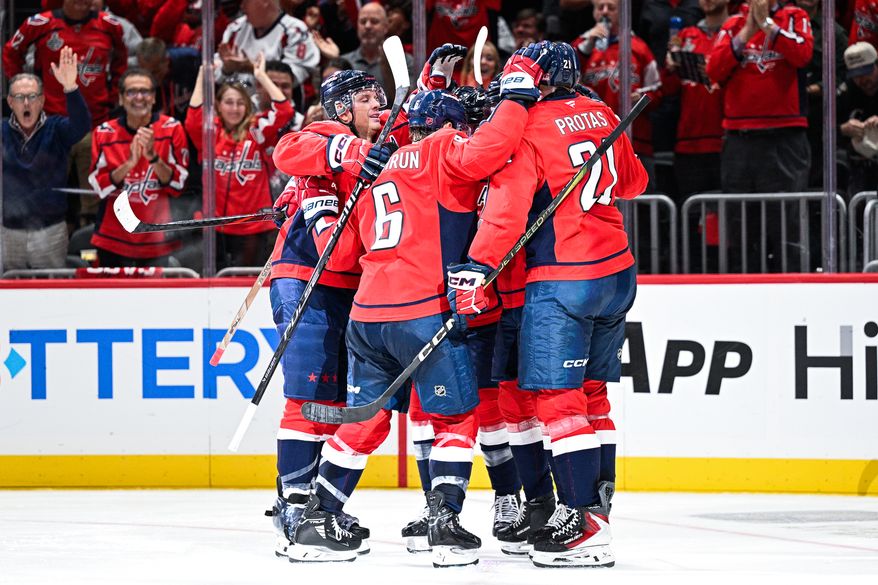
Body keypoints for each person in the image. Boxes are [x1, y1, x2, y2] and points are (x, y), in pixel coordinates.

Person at [292, 45, 548, 565]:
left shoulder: (374, 174)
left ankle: (317, 518)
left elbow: (344, 252)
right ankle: (445, 524)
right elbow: (485, 153)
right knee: (455, 419)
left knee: (367, 420)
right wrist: (517, 98)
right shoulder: (443, 150)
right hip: (424, 309)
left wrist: (317, 210)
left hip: (368, 315)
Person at [448, 41, 648, 568]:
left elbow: (509, 211)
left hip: (564, 276)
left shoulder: (528, 124)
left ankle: (583, 525)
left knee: (558, 403)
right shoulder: (603, 111)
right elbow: (634, 181)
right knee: (593, 397)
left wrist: (479, 268)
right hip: (617, 269)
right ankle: (598, 511)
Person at [263, 69, 404, 561]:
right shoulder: (332, 134)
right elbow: (289, 148)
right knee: (307, 398)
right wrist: (345, 156)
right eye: (367, 99)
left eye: (381, 98)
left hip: (352, 291)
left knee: (336, 405)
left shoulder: (388, 143)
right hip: (306, 280)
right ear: (342, 109)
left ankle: (311, 501)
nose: (379, 107)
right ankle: (296, 503)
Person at [706, 0, 813, 271]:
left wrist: (768, 26)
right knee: (741, 222)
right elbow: (713, 70)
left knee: (786, 222)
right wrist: (748, 30)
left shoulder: (794, 17)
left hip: (785, 136)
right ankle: (743, 285)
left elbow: (803, 54)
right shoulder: (732, 25)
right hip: (740, 137)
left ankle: (794, 285)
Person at [3, 0, 127, 225]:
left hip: (95, 122)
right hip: (50, 122)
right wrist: (25, 91)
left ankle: (89, 246)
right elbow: (11, 52)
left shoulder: (110, 25)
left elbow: (121, 60)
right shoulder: (40, 24)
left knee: (94, 196)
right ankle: (49, 243)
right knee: (45, 192)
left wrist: (112, 96)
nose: (82, 5)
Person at [185, 55, 294, 269]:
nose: (234, 109)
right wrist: (202, 76)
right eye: (228, 102)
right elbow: (192, 118)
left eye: (240, 103)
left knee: (247, 286)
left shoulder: (257, 131)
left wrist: (261, 76)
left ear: (247, 106)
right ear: (218, 105)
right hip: (216, 226)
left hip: (253, 227)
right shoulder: (211, 133)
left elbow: (285, 111)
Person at [88, 69, 189, 267]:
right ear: (121, 98)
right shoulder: (104, 133)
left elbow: (178, 185)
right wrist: (129, 164)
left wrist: (152, 157)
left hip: (156, 238)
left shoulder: (172, 128)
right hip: (113, 239)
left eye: (145, 92)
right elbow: (97, 188)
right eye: (132, 92)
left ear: (153, 97)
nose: (139, 98)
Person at [2, 48, 90, 271]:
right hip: (7, 230)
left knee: (51, 291)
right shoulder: (2, 131)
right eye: (20, 98)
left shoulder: (56, 128)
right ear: (10, 102)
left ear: (42, 101)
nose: (26, 103)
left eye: (32, 97)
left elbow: (82, 127)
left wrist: (70, 88)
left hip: (50, 231)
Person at [574, 0, 662, 181]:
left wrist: (643, 97)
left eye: (611, 8)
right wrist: (588, 42)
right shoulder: (581, 47)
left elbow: (658, 90)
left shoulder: (639, 47)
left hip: (635, 140)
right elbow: (563, 83)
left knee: (642, 200)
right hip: (593, 141)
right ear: (593, 12)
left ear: (622, 12)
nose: (605, 12)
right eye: (600, 8)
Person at [217, 0, 319, 95]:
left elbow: (291, 79)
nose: (242, 6)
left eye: (245, 1)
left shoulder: (294, 30)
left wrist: (252, 68)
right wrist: (226, 69)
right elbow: (213, 73)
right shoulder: (235, 28)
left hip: (278, 109)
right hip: (236, 107)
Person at [340, 2, 415, 100]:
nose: (367, 26)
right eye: (363, 22)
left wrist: (388, 68)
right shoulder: (345, 62)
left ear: (386, 27)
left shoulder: (404, 61)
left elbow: (409, 102)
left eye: (374, 21)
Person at [839, 42, 878, 199]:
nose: (862, 80)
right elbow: (821, 127)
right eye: (856, 75)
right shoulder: (846, 90)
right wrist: (842, 129)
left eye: (866, 73)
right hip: (858, 165)